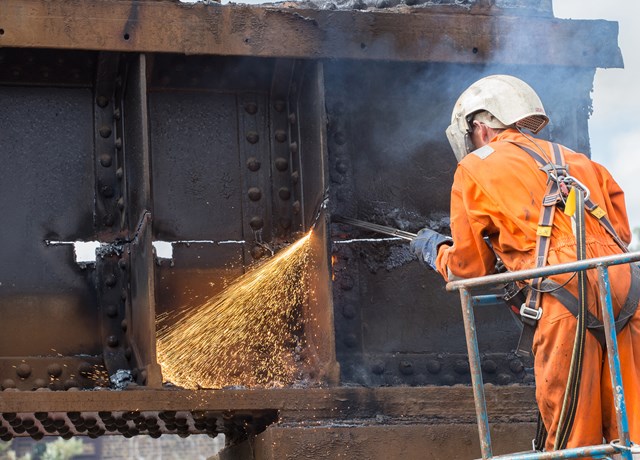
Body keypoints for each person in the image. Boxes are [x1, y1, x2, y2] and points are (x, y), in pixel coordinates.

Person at [411, 74, 640, 453]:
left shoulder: (475, 169)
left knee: (573, 439)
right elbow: (619, 232)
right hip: (626, 293)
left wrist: (435, 250)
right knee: (630, 431)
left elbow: (470, 268)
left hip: (565, 299)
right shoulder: (578, 160)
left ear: (479, 127)